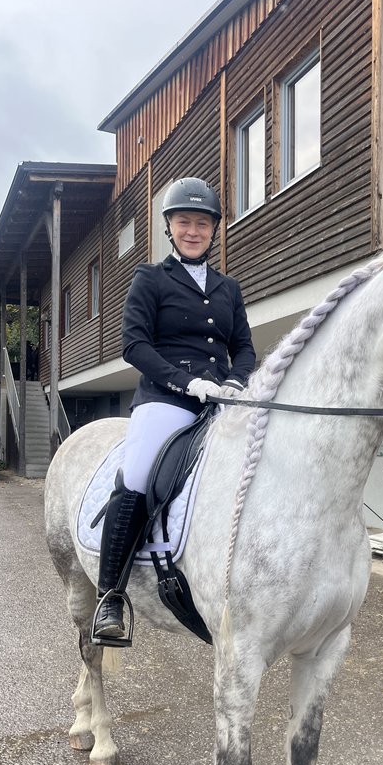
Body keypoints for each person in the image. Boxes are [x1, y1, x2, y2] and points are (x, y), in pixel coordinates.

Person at [92, 177, 256, 644]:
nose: (193, 231)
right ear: (170, 227)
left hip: (221, 401)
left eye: (202, 224)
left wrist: (233, 381)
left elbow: (244, 348)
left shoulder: (228, 288)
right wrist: (186, 382)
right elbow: (134, 345)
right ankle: (110, 597)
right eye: (184, 222)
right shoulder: (150, 278)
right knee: (139, 475)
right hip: (166, 399)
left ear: (213, 230)